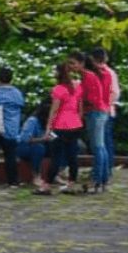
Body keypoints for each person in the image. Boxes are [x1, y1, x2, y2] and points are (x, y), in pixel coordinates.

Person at [42, 63, 83, 194]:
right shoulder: (77, 86)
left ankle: (46, 185)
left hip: (59, 127)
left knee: (56, 156)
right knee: (72, 156)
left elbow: (54, 111)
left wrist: (48, 128)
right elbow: (80, 108)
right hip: (75, 125)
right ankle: (71, 184)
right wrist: (78, 119)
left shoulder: (58, 89)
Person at [76, 51, 111, 193]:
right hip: (102, 110)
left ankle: (97, 180)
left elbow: (92, 97)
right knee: (101, 147)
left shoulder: (89, 76)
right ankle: (102, 180)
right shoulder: (105, 73)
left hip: (95, 111)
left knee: (97, 147)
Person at [90, 49, 121, 180]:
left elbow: (114, 93)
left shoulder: (107, 73)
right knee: (102, 143)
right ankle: (102, 170)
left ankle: (105, 170)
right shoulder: (102, 72)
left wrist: (103, 105)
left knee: (103, 144)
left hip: (104, 111)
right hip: (103, 110)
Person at [18, 100, 51, 188]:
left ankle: (57, 173)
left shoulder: (49, 123)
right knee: (39, 148)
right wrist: (43, 139)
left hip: (43, 145)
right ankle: (36, 176)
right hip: (24, 147)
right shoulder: (33, 121)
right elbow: (26, 139)